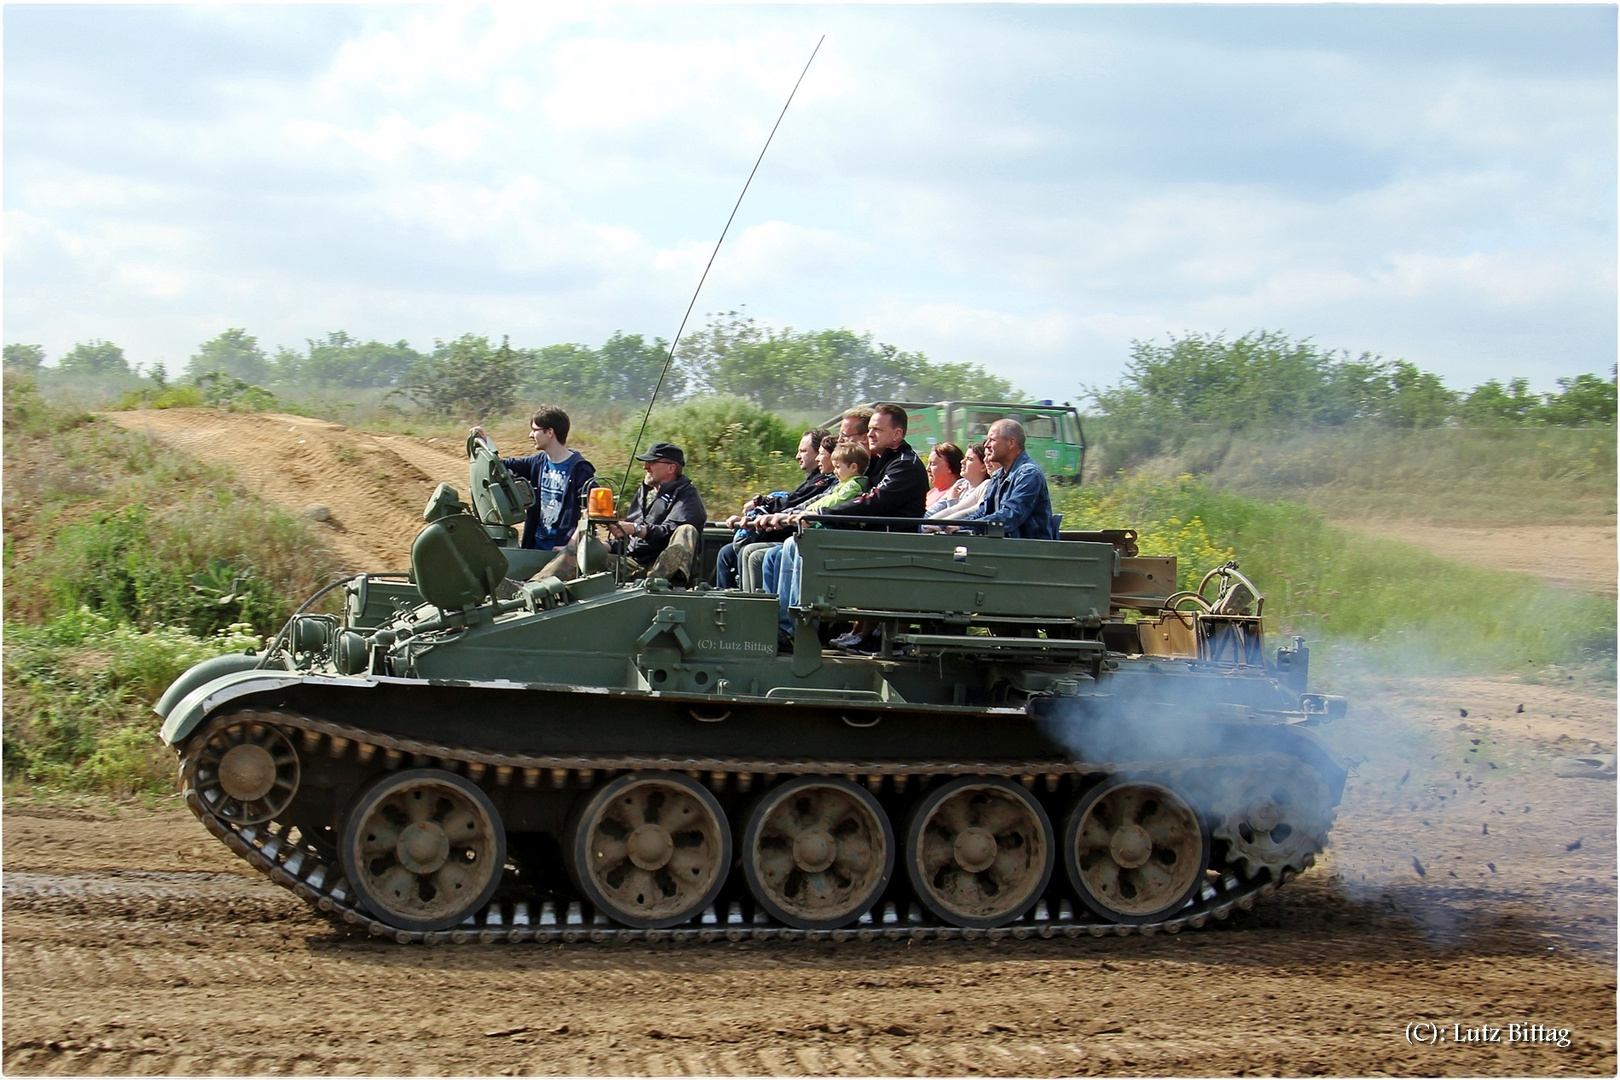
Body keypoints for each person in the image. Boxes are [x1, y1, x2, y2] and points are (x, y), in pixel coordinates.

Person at [539, 441, 706, 584]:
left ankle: (657, 583)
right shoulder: (646, 493)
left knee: (686, 530)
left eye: (652, 462)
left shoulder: (686, 495)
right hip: (634, 562)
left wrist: (637, 529)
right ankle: (536, 585)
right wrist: (606, 546)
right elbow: (630, 540)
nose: (645, 467)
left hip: (659, 565)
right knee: (581, 554)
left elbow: (670, 532)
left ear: (671, 468)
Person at [760, 442, 872, 642]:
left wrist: (811, 510)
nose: (835, 471)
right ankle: (782, 621)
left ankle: (797, 626)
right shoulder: (842, 485)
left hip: (838, 537)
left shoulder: (855, 485)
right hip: (829, 534)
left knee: (796, 544)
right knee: (787, 545)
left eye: (839, 467)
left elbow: (832, 502)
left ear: (853, 467)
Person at [713, 428, 833, 588]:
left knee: (749, 553)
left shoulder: (824, 481)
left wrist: (763, 507)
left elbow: (794, 503)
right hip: (785, 528)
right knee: (727, 553)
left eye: (803, 451)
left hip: (794, 533)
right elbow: (791, 499)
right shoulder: (812, 480)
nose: (798, 456)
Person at [470, 405, 595, 551]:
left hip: (560, 551)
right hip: (535, 546)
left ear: (549, 432)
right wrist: (485, 443)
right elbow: (500, 467)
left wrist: (571, 547)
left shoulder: (579, 469)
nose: (530, 435)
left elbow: (592, 511)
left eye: (535, 430)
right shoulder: (538, 462)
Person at [817, 403, 928, 522]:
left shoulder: (905, 465)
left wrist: (822, 514)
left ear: (897, 434)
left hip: (892, 537)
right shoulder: (879, 461)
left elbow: (874, 501)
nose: (870, 434)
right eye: (870, 429)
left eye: (877, 429)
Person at [966, 419, 1059, 540]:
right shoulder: (998, 475)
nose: (986, 445)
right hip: (1007, 549)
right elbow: (983, 512)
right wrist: (949, 527)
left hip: (1029, 552)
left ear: (1011, 443)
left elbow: (1010, 516)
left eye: (992, 440)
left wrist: (968, 527)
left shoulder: (1029, 474)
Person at [927, 441, 996, 521]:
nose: (962, 462)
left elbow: (964, 514)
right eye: (964, 458)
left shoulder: (985, 488)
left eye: (969, 459)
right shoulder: (960, 483)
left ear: (983, 467)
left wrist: (952, 501)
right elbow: (935, 510)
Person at [925, 442, 966, 511]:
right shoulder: (931, 492)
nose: (927, 469)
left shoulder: (956, 496)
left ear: (950, 467)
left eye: (933, 464)